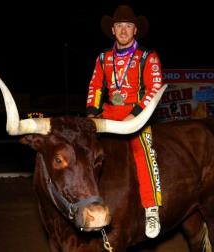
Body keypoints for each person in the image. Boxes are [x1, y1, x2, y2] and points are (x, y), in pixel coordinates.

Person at [86, 5, 165, 238]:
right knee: (85, 150)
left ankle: (151, 209)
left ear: (135, 30)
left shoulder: (148, 57)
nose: (123, 30)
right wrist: (92, 113)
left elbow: (155, 88)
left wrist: (136, 114)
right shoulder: (103, 58)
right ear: (112, 29)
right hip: (109, 113)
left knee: (143, 152)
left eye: (128, 26)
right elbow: (95, 87)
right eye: (119, 26)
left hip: (137, 114)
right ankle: (87, 202)